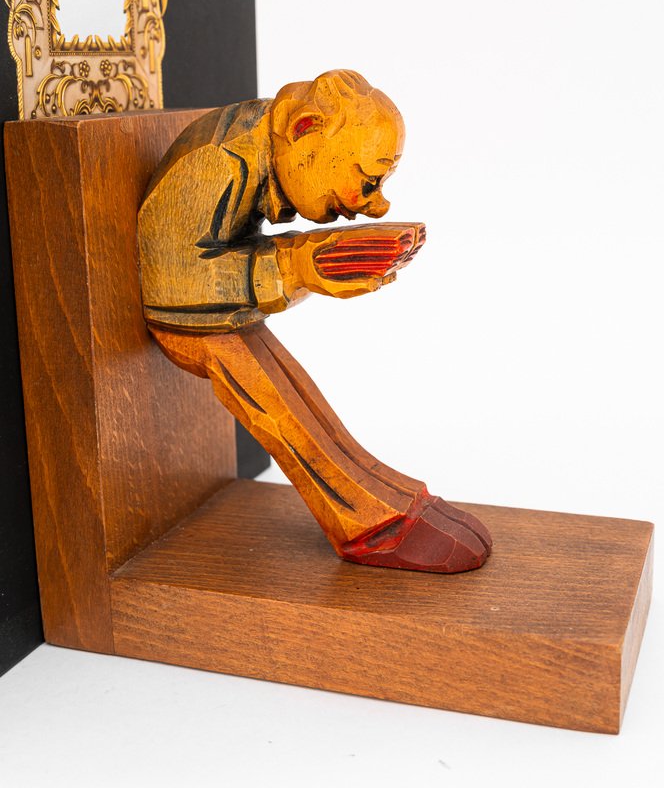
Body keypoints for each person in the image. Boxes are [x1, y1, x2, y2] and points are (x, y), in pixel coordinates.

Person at [138, 69, 492, 572]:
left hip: (213, 313)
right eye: (367, 179)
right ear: (305, 128)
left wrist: (311, 260)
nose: (376, 204)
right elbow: (168, 281)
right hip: (184, 318)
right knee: (273, 398)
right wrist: (299, 265)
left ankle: (385, 496)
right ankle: (364, 522)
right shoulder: (219, 160)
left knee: (293, 386)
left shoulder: (258, 147)